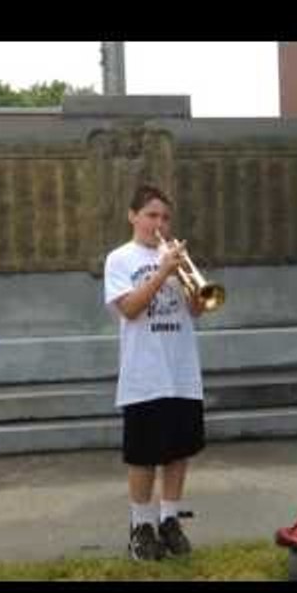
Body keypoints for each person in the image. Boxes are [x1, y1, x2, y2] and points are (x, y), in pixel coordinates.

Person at [104, 184, 208, 561]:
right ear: (133, 216)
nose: (159, 223)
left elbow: (197, 311)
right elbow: (129, 309)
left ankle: (169, 520)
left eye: (164, 217)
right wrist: (163, 272)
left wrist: (191, 286)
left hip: (182, 370)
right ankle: (140, 527)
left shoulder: (176, 257)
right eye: (151, 215)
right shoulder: (119, 259)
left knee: (179, 451)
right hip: (144, 373)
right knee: (143, 454)